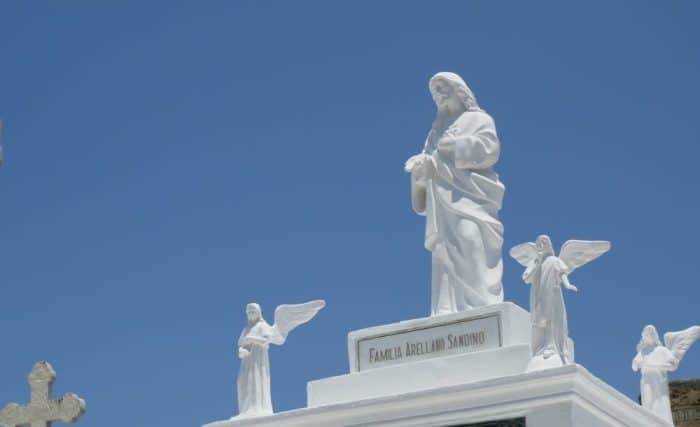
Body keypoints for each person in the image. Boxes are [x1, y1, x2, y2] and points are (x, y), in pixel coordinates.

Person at [405, 72, 505, 315]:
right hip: (441, 201)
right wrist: (421, 171)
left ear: (459, 90)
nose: (438, 94)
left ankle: (480, 307)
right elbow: (429, 161)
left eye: (442, 87)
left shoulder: (480, 120)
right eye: (434, 91)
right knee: (443, 253)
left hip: (471, 198)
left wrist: (454, 146)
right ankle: (446, 309)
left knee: (470, 240)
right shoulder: (435, 132)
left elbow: (490, 150)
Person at [236, 303, 283, 418]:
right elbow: (240, 343)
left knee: (255, 380)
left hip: (258, 360)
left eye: (253, 312)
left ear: (258, 313)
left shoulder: (262, 325)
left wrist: (251, 339)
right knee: (242, 382)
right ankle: (245, 410)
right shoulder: (246, 328)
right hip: (247, 360)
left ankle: (256, 408)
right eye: (248, 312)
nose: (250, 314)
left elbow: (266, 340)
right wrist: (241, 351)